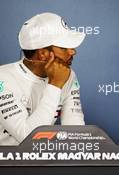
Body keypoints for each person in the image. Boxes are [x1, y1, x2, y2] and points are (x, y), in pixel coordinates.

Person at [0, 12, 86, 145]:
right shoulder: (3, 78)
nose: (73, 51)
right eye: (64, 48)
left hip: (42, 160)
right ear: (43, 54)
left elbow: (75, 130)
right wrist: (55, 84)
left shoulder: (68, 75)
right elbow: (29, 138)